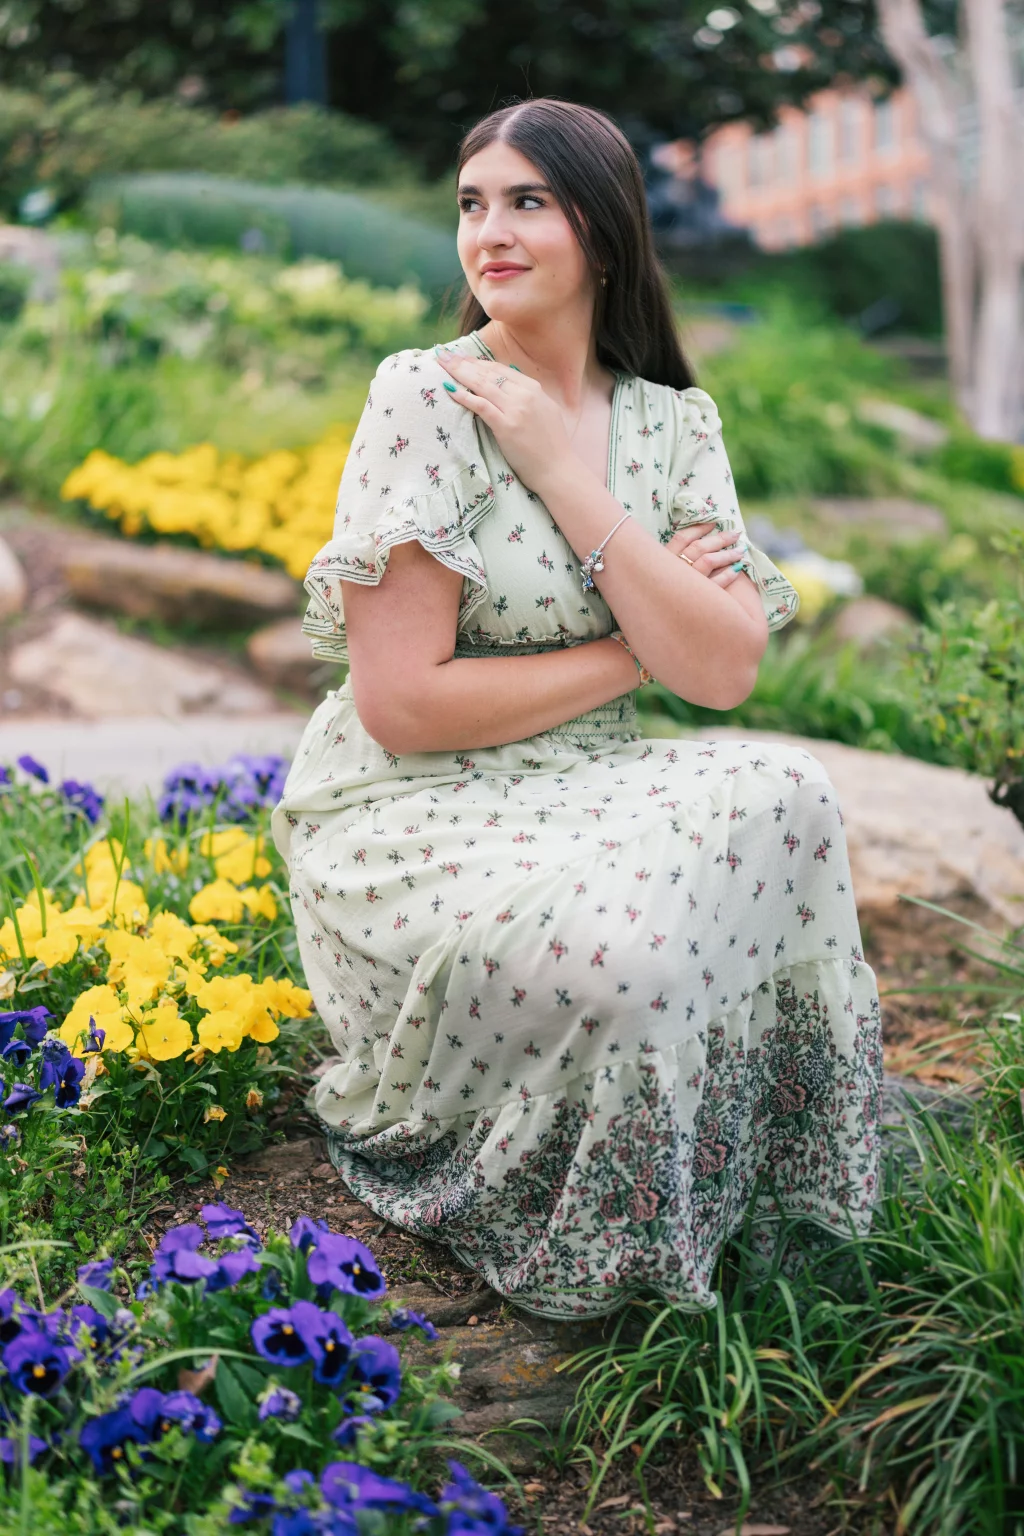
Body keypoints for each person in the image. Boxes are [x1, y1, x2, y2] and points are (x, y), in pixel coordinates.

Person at [272, 98, 882, 1319]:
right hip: (413, 813)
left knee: (791, 790)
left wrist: (561, 471)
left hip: (591, 781)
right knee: (628, 958)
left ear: (601, 234)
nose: (486, 232)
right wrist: (637, 642)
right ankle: (612, 1247)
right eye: (469, 203)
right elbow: (403, 705)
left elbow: (726, 672)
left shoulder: (672, 424)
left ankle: (764, 1173)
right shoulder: (426, 400)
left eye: (525, 202)